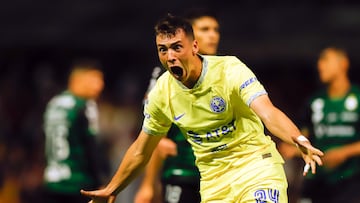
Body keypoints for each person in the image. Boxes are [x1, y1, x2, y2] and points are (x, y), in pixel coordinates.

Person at [81, 14, 323, 203]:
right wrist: (112, 188)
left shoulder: (230, 70)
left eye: (177, 47)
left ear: (194, 46)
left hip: (256, 167)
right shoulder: (162, 92)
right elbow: (142, 150)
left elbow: (268, 112)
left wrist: (297, 138)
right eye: (162, 49)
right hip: (213, 182)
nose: (170, 56)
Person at [134, 8, 220, 203]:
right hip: (182, 172)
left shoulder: (225, 71)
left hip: (218, 177)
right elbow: (153, 130)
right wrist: (147, 184)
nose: (213, 35)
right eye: (205, 29)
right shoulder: (166, 77)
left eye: (215, 29)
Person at [295, 47, 360, 203]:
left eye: (325, 59)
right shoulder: (314, 102)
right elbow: (303, 135)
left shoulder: (358, 97)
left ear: (343, 63)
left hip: (351, 180)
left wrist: (344, 152)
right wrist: (295, 147)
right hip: (319, 179)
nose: (319, 65)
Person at [42, 59, 109, 203]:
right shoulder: (85, 105)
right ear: (77, 80)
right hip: (79, 183)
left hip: (53, 180)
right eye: (95, 79)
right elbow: (92, 147)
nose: (100, 85)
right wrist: (102, 180)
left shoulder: (54, 104)